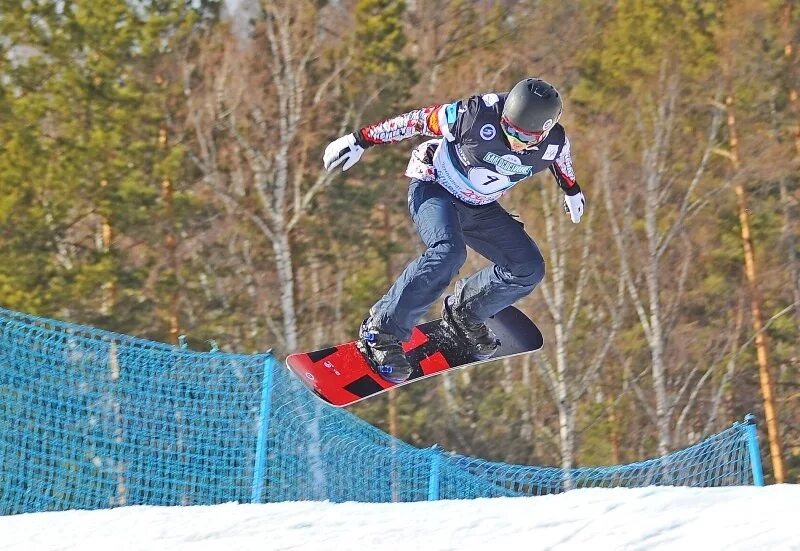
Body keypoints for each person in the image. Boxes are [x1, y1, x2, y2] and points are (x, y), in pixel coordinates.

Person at [322, 78, 584, 384]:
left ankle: (466, 313)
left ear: (544, 131)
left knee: (528, 268)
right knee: (449, 253)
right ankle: (381, 332)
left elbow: (561, 160)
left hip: (479, 207)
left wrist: (571, 189)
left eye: (523, 136)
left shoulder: (554, 143)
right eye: (508, 128)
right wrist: (361, 139)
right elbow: (415, 121)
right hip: (435, 188)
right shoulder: (473, 115)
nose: (512, 139)